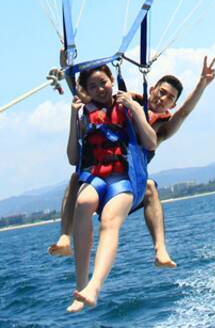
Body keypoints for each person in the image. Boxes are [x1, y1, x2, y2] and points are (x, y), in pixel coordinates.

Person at [50, 56, 215, 270]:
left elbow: (184, 113)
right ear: (153, 88)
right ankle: (65, 236)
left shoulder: (162, 127)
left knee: (150, 187)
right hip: (101, 179)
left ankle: (160, 249)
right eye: (162, 92)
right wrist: (67, 67)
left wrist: (202, 83)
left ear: (172, 104)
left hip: (129, 187)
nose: (162, 99)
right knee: (76, 176)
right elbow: (86, 93)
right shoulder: (125, 100)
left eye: (169, 98)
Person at [65, 65, 157, 313]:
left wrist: (136, 109)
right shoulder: (86, 113)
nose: (100, 89)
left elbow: (151, 142)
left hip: (126, 181)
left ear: (112, 81)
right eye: (93, 87)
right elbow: (74, 158)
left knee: (108, 221)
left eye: (103, 83)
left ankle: (94, 286)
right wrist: (73, 120)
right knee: (82, 204)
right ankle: (81, 285)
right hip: (97, 178)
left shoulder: (126, 108)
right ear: (86, 91)